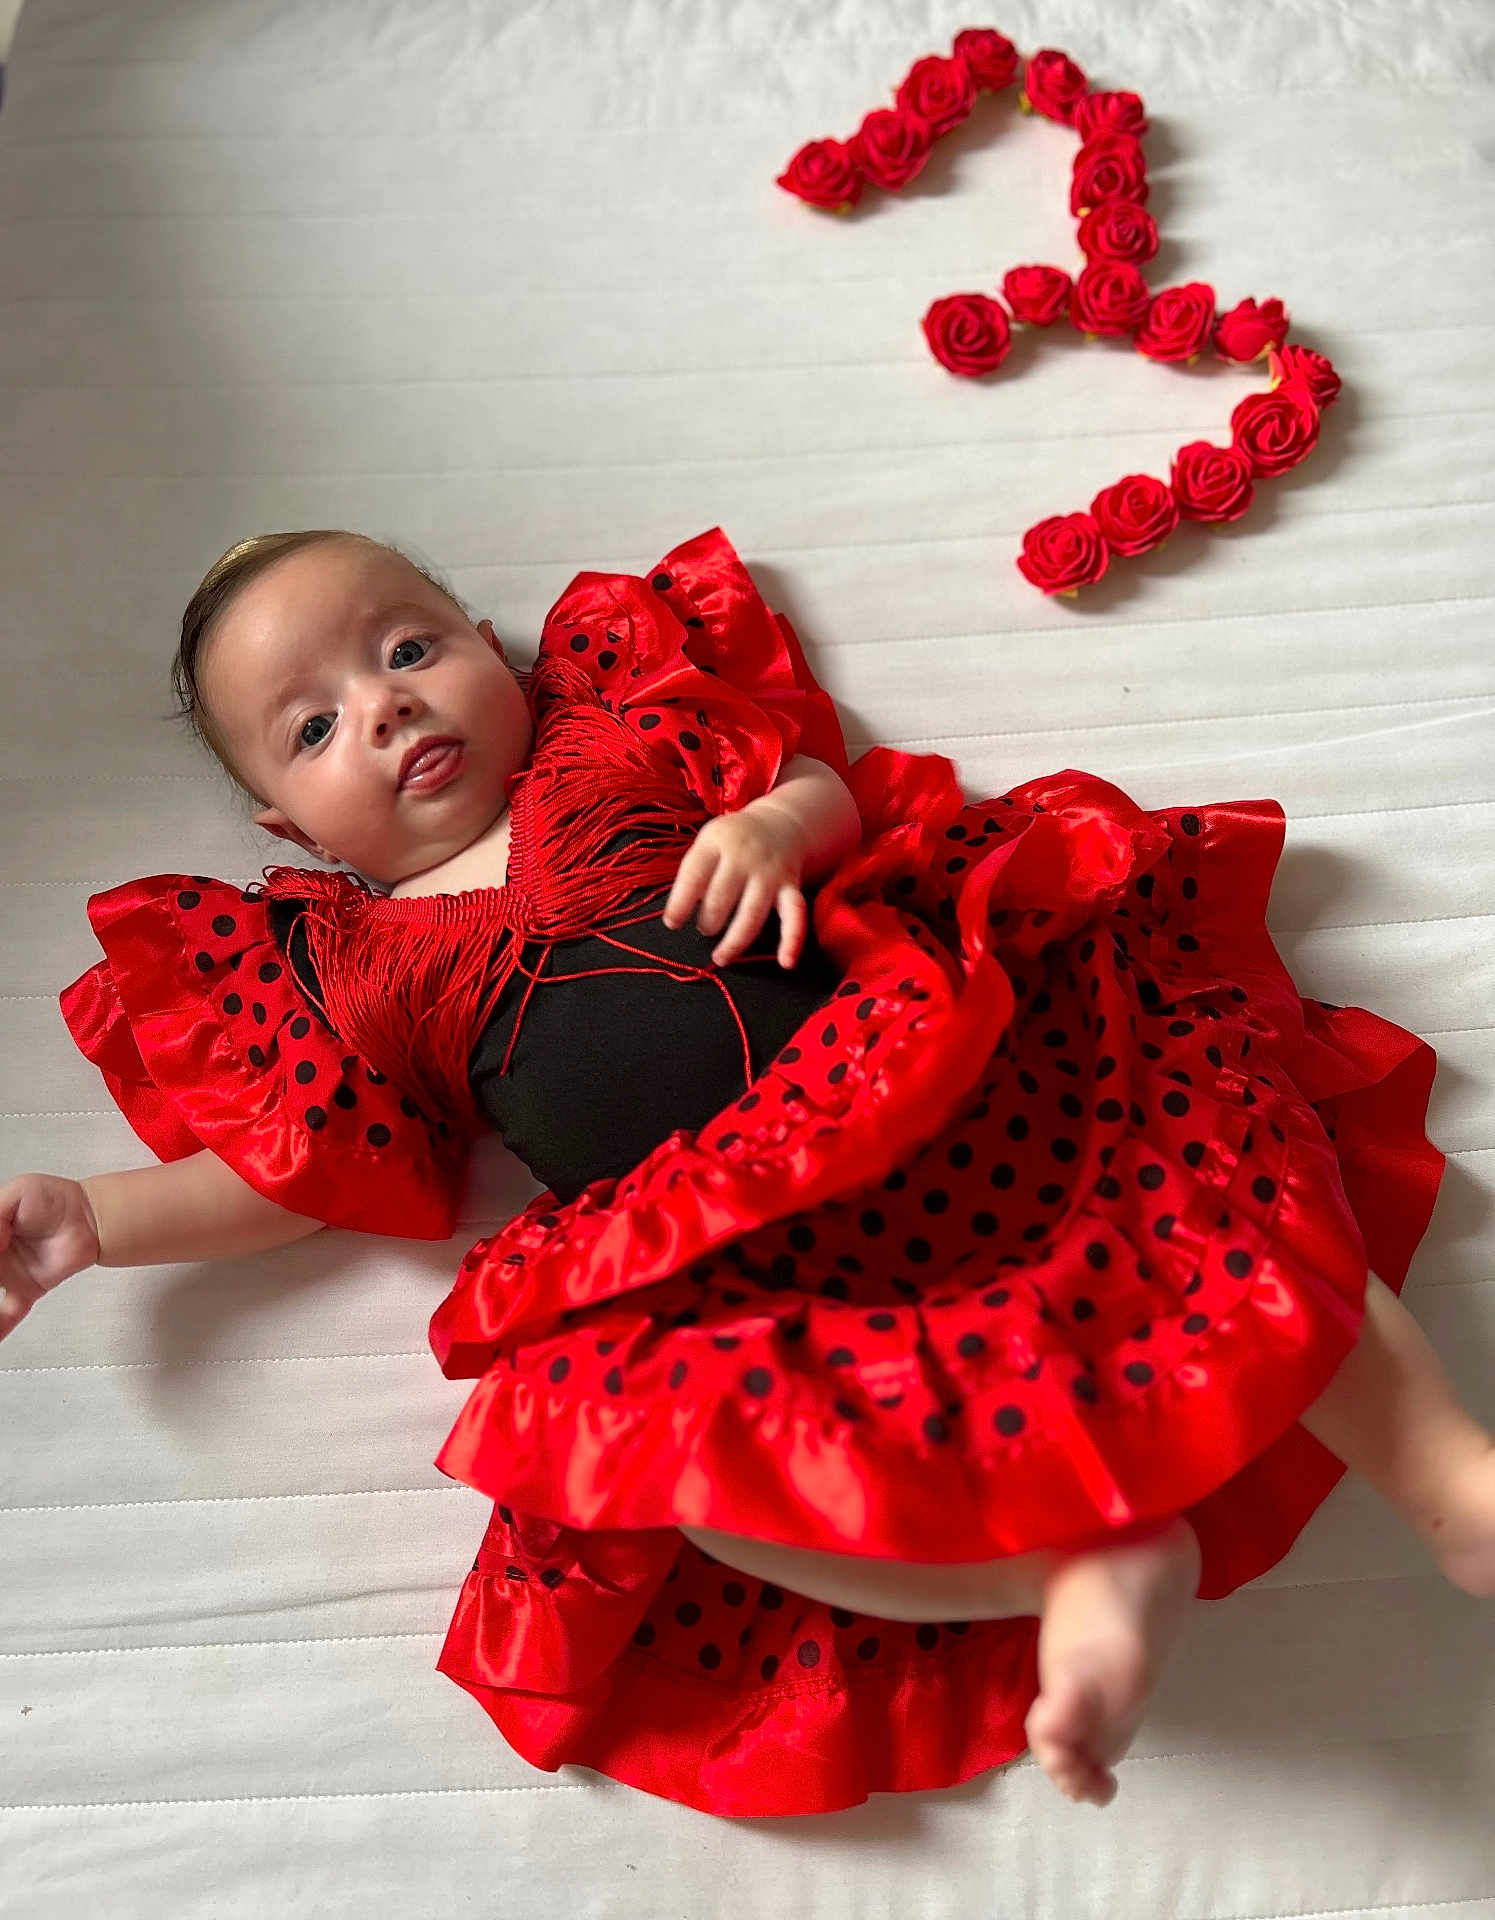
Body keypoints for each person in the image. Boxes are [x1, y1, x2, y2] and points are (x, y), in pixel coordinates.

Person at [1, 525, 1485, 1819]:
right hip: (714, 1262)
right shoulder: (351, 967)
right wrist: (96, 1224)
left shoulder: (614, 741)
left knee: (1204, 1186)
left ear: (497, 654)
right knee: (687, 1475)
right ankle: (1076, 1575)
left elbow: (818, 784)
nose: (384, 709)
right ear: (282, 827)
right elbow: (298, 1172)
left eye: (409, 647)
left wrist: (777, 824)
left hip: (925, 1078)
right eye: (313, 728)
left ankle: (1444, 1474)